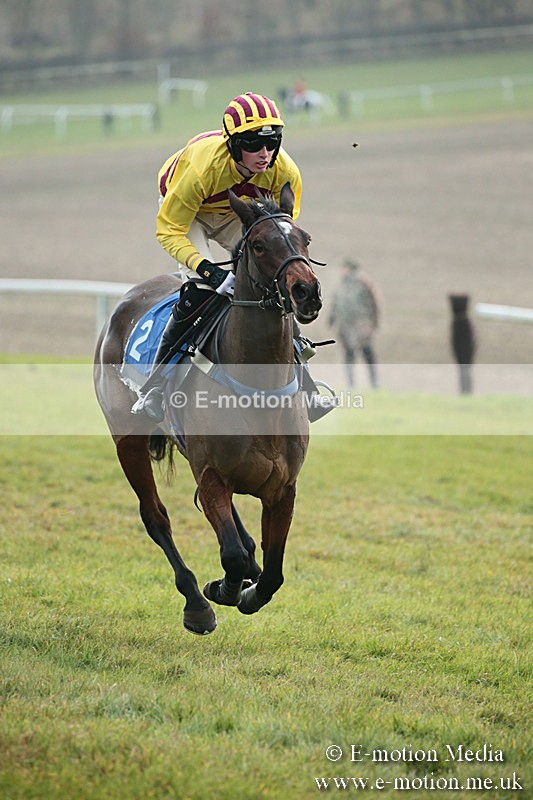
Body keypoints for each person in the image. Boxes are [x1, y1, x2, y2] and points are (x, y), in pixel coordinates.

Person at [134, 92, 323, 422]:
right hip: (188, 215)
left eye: (272, 143)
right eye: (253, 145)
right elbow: (169, 231)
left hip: (236, 212)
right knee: (201, 292)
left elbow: (283, 230)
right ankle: (155, 386)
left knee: (273, 279)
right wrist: (210, 272)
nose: (264, 155)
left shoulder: (286, 171)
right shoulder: (202, 169)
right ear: (234, 145)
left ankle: (307, 386)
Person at [329, 259, 380, 388]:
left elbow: (374, 304)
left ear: (350, 269)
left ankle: (374, 384)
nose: (341, 271)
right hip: (345, 328)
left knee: (368, 354)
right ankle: (351, 385)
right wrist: (331, 320)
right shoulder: (341, 285)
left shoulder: (363, 283)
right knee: (349, 356)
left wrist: (373, 324)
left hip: (362, 326)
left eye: (344, 268)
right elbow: (335, 304)